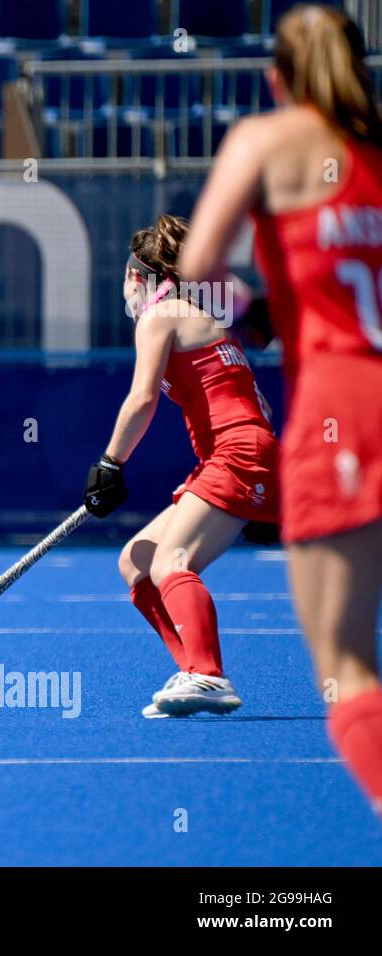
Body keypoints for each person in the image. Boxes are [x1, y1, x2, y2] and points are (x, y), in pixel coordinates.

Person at [178, 5, 382, 809]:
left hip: (342, 407)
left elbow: (198, 265)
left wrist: (263, 312)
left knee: (346, 667)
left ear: (278, 77)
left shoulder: (266, 141)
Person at [84, 215, 281, 717]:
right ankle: (192, 670)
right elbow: (263, 410)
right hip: (238, 454)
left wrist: (110, 463)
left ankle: (208, 675)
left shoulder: (161, 314)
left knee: (173, 561)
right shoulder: (197, 316)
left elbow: (141, 399)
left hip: (236, 455)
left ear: (136, 277)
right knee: (136, 561)